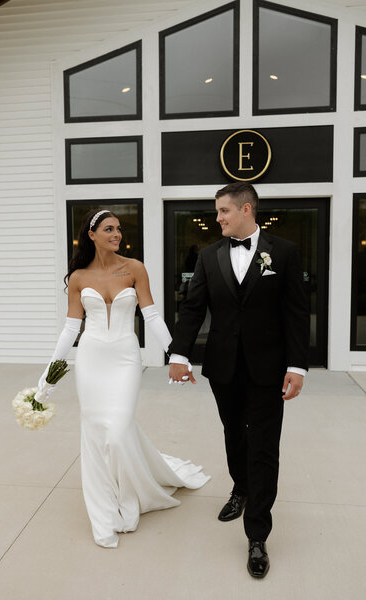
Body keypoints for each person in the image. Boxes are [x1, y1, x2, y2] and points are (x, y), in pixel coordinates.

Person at [35, 208, 210, 548]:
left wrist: (178, 354)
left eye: (118, 229)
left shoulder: (134, 269)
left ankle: (131, 497)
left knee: (118, 429)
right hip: (92, 358)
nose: (116, 234)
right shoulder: (78, 278)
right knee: (96, 433)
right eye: (109, 229)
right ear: (92, 234)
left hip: (126, 358)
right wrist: (49, 376)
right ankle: (104, 510)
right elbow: (71, 328)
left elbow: (153, 316)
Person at [168, 182, 309, 578]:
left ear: (246, 209)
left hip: (269, 370)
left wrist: (297, 366)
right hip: (224, 367)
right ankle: (241, 488)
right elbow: (193, 306)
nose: (217, 219)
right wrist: (180, 353)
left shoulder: (283, 251)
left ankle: (258, 535)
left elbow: (296, 312)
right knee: (234, 433)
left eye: (223, 212)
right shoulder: (210, 256)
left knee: (264, 445)